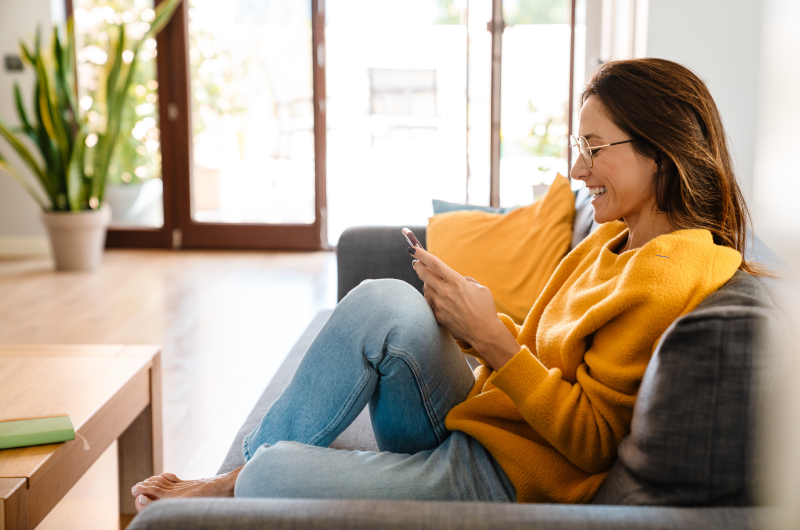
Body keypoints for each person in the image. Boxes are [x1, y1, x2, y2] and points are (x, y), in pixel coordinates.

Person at [130, 58, 754, 510]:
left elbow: (592, 444)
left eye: (593, 148)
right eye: (577, 145)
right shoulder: (611, 240)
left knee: (271, 480)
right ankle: (231, 474)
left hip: (509, 478)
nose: (576, 168)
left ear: (659, 151)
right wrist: (473, 322)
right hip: (490, 428)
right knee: (385, 299)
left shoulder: (673, 267)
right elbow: (540, 358)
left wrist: (491, 336)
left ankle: (236, 481)